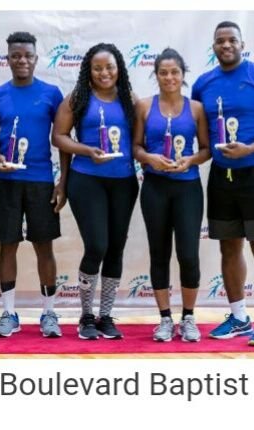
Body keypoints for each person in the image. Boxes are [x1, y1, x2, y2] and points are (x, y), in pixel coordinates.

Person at [53, 43, 139, 340]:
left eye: (110, 67)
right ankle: (86, 315)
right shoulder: (78, 97)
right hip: (86, 180)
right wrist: (87, 150)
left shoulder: (130, 99)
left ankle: (105, 316)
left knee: (115, 247)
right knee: (97, 245)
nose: (104, 73)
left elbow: (141, 142)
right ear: (89, 70)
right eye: (98, 68)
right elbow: (59, 137)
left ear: (119, 70)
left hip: (124, 182)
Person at [0, 31, 66, 338]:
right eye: (16, 55)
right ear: (7, 59)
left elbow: (62, 141)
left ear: (35, 58)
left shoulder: (52, 93)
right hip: (7, 181)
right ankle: (9, 313)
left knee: (44, 247)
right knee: (8, 246)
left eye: (27, 55)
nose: (22, 60)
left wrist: (63, 182)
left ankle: (49, 314)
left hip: (42, 181)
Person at [133, 48, 210, 342]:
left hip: (187, 188)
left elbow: (205, 150)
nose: (169, 77)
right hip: (155, 188)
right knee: (159, 253)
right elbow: (136, 147)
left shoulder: (196, 109)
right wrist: (150, 159)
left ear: (183, 74)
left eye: (174, 72)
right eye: (163, 73)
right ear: (156, 75)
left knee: (188, 255)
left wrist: (190, 161)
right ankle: (164, 319)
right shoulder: (143, 106)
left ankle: (188, 317)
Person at [192, 21, 254, 345]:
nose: (226, 45)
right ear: (213, 46)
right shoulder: (203, 84)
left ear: (243, 43)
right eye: (220, 40)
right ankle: (240, 317)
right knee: (229, 247)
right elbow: (198, 135)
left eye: (232, 40)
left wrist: (250, 149)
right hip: (221, 176)